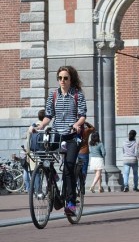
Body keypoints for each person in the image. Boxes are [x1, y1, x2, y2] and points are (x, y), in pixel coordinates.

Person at [35, 66, 87, 215]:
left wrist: (77, 124)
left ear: (71, 79)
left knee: (69, 167)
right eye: (60, 78)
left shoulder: (77, 95)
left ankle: (70, 203)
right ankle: (52, 174)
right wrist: (41, 125)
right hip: (57, 135)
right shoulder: (53, 95)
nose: (62, 81)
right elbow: (48, 115)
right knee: (43, 154)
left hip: (72, 136)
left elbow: (83, 115)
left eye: (65, 78)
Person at [24, 109, 46, 192]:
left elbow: (28, 140)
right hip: (44, 153)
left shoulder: (32, 126)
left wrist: (28, 153)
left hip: (32, 153)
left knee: (35, 173)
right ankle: (48, 190)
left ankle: (38, 192)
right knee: (48, 171)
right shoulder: (45, 127)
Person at [77, 121, 95, 191]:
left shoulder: (75, 132)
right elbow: (93, 128)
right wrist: (87, 123)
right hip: (84, 152)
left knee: (75, 170)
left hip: (76, 152)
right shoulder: (86, 131)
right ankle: (81, 185)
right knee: (84, 170)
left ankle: (76, 184)